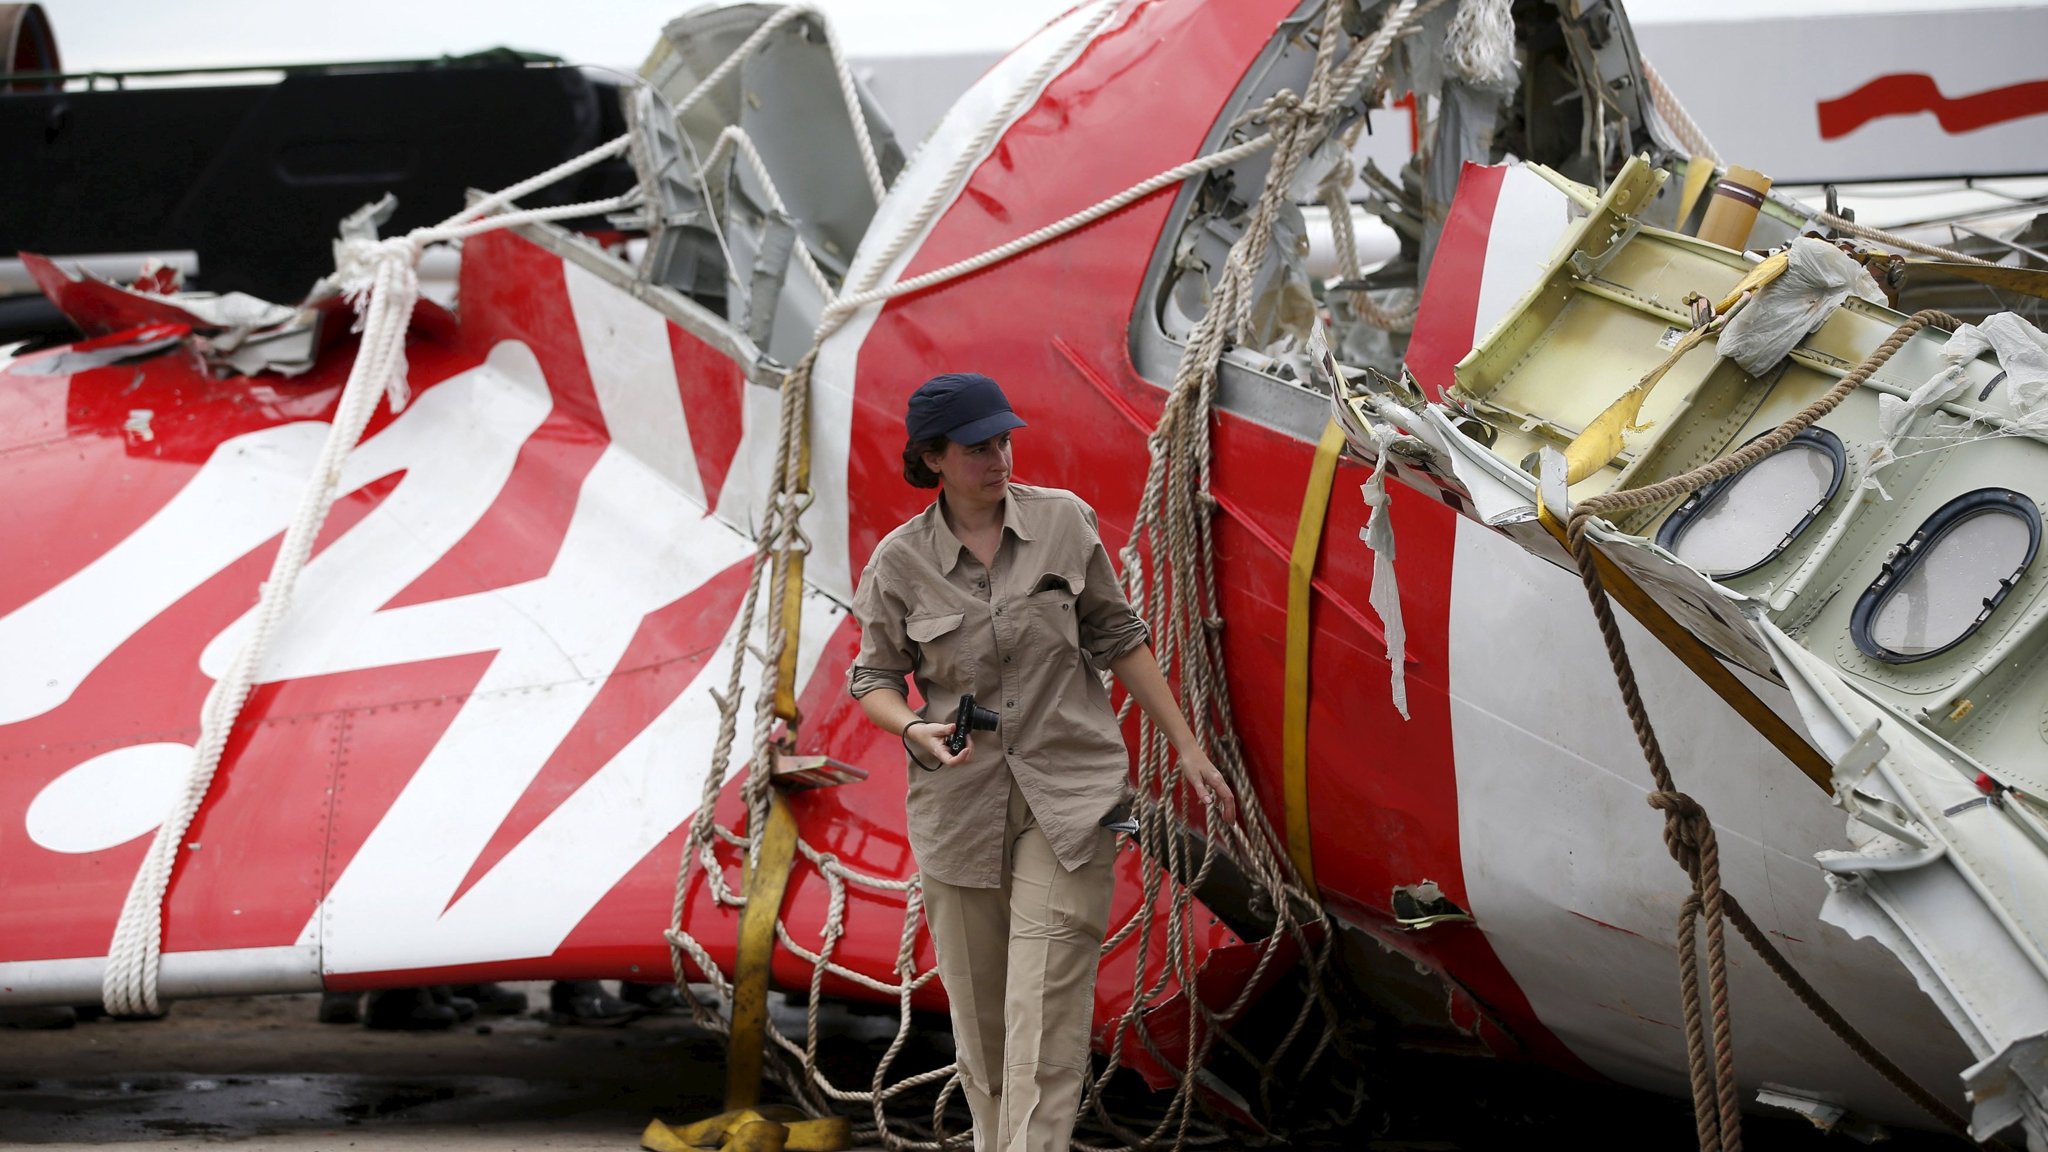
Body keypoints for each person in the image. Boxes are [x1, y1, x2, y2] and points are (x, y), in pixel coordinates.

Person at [847, 372, 1237, 1152]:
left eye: (1004, 441)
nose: (999, 458)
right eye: (977, 448)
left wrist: (1189, 746)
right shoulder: (898, 562)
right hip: (960, 809)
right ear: (932, 458)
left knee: (1046, 1007)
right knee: (984, 1026)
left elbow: (1119, 636)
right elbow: (873, 678)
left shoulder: (1065, 521)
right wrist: (912, 728)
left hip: (1073, 794)